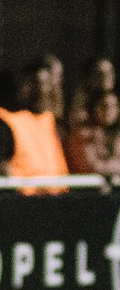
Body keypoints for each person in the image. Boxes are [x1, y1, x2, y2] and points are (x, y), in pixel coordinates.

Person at [0, 59, 70, 191]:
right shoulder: (7, 120)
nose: (42, 90)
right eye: (36, 83)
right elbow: (4, 167)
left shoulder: (49, 120)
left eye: (46, 84)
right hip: (24, 203)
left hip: (57, 200)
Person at [64, 87, 120, 182]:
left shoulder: (119, 134)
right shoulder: (82, 134)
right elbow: (91, 167)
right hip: (86, 190)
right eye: (104, 106)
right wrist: (117, 167)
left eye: (114, 106)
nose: (109, 110)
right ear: (93, 107)